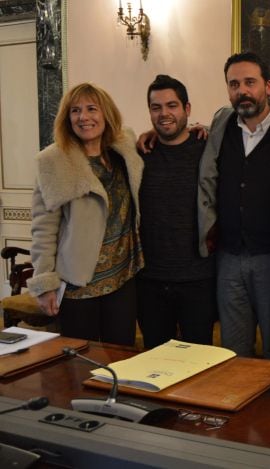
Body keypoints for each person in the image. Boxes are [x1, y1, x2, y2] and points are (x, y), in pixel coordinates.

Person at [197, 51, 270, 360]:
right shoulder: (221, 122)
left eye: (250, 82)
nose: (242, 91)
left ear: (268, 86)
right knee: (233, 352)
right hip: (229, 258)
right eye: (234, 84)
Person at [27, 83, 144, 345]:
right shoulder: (53, 162)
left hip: (123, 278)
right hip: (78, 284)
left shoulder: (123, 147)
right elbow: (43, 229)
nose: (84, 117)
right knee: (79, 365)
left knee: (122, 355)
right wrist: (44, 282)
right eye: (75, 111)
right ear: (67, 119)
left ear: (106, 114)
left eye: (92, 109)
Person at [136, 74, 216, 349]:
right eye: (156, 107)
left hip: (198, 278)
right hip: (150, 280)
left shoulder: (207, 148)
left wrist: (203, 126)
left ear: (187, 109)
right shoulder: (139, 154)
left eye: (172, 105)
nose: (164, 114)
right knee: (155, 363)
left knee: (199, 364)